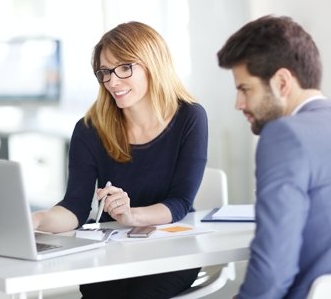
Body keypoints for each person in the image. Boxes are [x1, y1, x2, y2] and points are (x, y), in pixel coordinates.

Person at [33, 21, 208, 298]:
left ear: (153, 64)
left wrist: (131, 215)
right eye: (105, 72)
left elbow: (180, 202)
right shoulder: (90, 129)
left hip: (171, 250)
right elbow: (75, 207)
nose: (112, 81)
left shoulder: (189, 117)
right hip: (112, 252)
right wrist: (37, 219)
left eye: (124, 68)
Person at [217, 15, 331, 299]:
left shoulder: (284, 135)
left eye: (245, 89)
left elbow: (272, 274)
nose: (239, 104)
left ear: (282, 82)